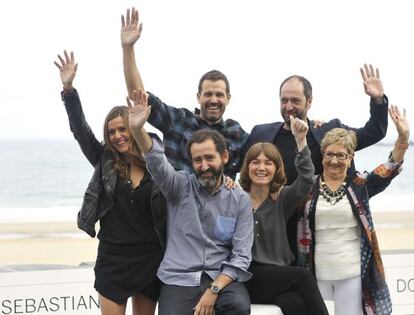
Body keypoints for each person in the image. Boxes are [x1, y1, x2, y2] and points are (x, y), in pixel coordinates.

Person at [54, 51, 167, 315]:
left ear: (134, 128)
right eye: (111, 131)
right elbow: (80, 130)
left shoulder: (156, 162)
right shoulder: (103, 159)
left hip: (150, 256)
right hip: (113, 257)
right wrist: (69, 91)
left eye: (122, 129)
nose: (117, 136)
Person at [127, 89, 254, 315]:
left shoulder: (239, 199)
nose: (204, 166)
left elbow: (241, 256)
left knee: (238, 306)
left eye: (209, 158)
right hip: (179, 279)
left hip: (221, 277)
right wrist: (138, 130)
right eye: (198, 160)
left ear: (224, 157)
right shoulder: (178, 187)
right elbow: (156, 162)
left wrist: (214, 289)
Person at [244, 65, 389, 259]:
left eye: (295, 100)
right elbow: (236, 165)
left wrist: (377, 99)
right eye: (284, 100)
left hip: (320, 228)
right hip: (275, 229)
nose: (288, 106)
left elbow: (374, 132)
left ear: (309, 101)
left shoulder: (328, 131)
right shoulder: (260, 133)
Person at [297, 105, 410, 315]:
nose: (334, 160)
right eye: (329, 154)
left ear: (350, 158)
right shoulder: (306, 188)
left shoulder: (359, 186)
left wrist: (403, 137)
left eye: (341, 155)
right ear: (321, 156)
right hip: (315, 274)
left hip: (351, 275)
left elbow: (389, 168)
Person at [121, 7, 247, 179]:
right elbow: (139, 98)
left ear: (228, 99)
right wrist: (128, 48)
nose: (214, 100)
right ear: (198, 97)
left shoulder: (237, 133)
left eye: (219, 95)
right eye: (208, 94)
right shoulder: (179, 121)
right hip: (177, 202)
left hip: (220, 205)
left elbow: (264, 159)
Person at [239, 116, 328, 315]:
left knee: (293, 304)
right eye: (255, 162)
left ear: (276, 168)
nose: (261, 167)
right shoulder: (235, 199)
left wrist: (301, 140)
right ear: (247, 167)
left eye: (268, 163)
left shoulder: (282, 198)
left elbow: (306, 179)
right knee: (303, 276)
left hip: (278, 276)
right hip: (246, 276)